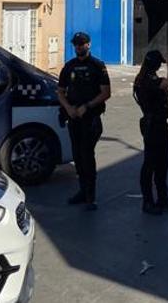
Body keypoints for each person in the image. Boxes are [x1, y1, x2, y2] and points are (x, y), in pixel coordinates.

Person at [57, 32, 112, 209]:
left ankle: (90, 196)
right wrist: (68, 108)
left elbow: (106, 93)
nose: (78, 47)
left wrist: (87, 106)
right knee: (78, 157)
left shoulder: (97, 66)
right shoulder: (69, 66)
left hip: (91, 119)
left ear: (88, 44)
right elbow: (60, 91)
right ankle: (82, 191)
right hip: (74, 119)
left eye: (81, 44)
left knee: (87, 156)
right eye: (76, 44)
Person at [133, 50, 168, 215]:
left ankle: (163, 198)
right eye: (159, 63)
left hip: (158, 124)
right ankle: (148, 201)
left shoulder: (144, 78)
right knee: (151, 163)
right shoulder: (148, 80)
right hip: (153, 125)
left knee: (163, 162)